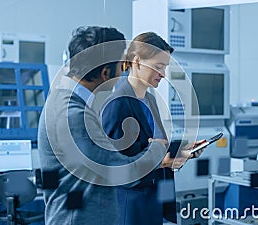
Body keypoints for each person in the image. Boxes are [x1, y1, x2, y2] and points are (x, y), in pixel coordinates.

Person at [37, 27, 168, 225]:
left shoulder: (66, 101)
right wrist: (158, 148)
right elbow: (121, 172)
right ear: (106, 73)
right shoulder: (72, 115)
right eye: (121, 66)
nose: (124, 70)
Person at [101, 32, 205, 225]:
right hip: (130, 210)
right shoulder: (117, 105)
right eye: (158, 66)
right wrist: (158, 162)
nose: (164, 74)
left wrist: (181, 152)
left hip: (153, 205)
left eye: (165, 67)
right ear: (138, 62)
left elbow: (153, 148)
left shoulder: (150, 101)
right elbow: (114, 168)